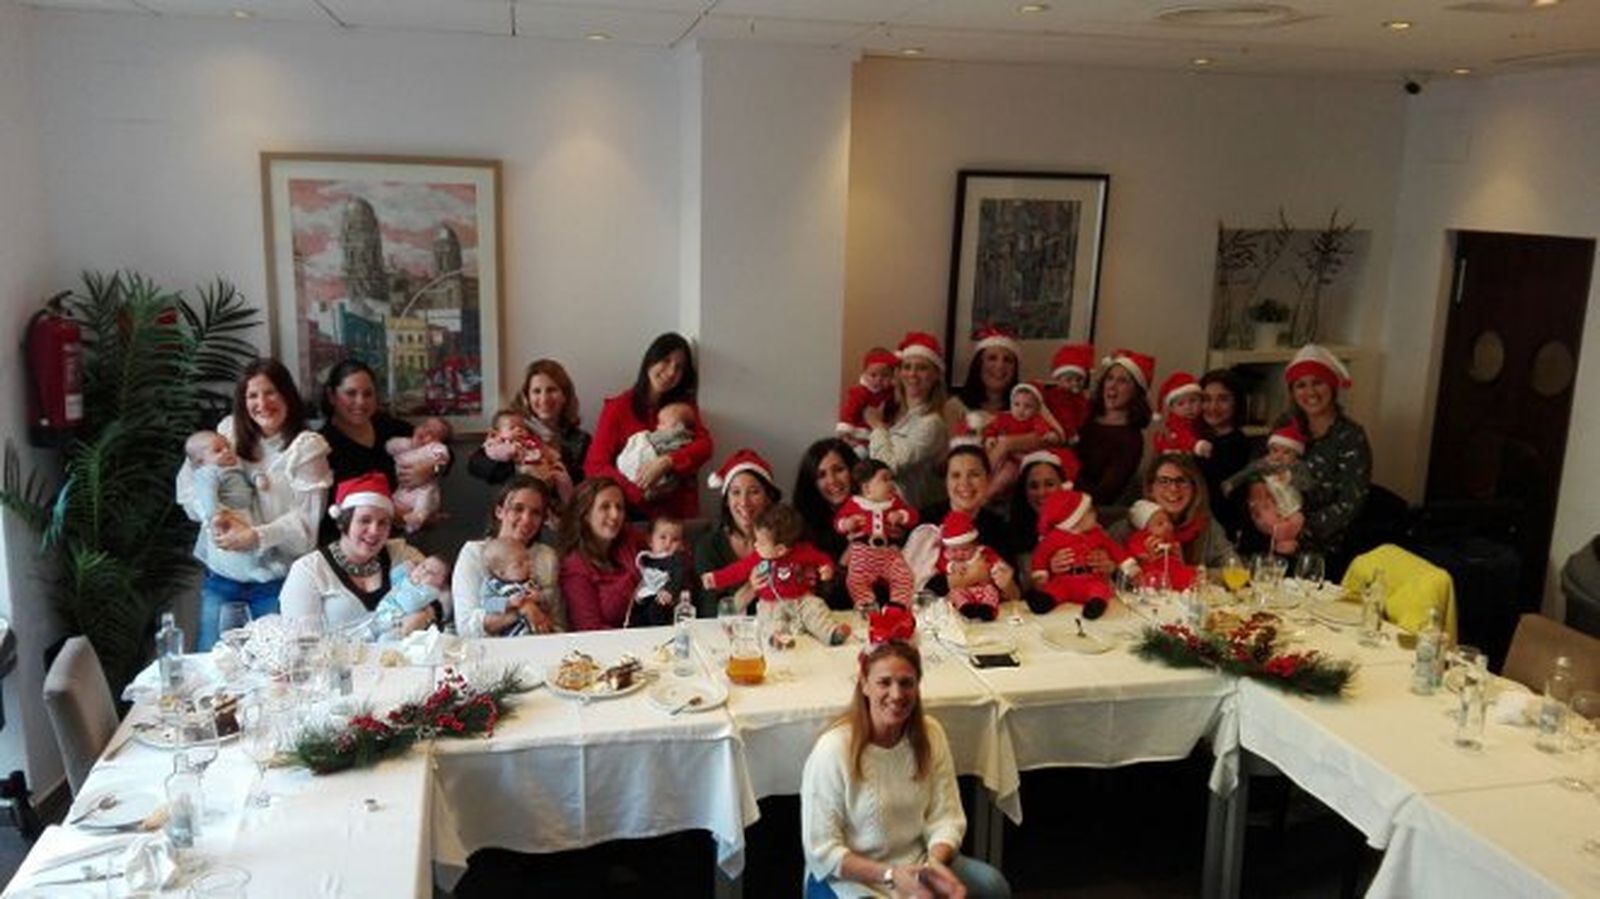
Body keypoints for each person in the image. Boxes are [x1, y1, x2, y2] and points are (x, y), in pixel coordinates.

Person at [801, 639, 1012, 899]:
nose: (897, 694)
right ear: (864, 685)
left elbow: (946, 818)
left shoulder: (930, 734)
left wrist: (932, 867)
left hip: (917, 864)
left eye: (906, 683)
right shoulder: (833, 749)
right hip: (851, 877)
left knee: (992, 885)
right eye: (884, 682)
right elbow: (821, 850)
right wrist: (891, 875)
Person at [175, 359, 332, 650]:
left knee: (276, 673)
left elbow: (306, 529)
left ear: (287, 394)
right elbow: (188, 486)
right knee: (212, 669)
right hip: (222, 578)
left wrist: (256, 536)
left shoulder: (307, 448)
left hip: (276, 584)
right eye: (252, 395)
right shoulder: (227, 434)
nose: (262, 403)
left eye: (270, 392)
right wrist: (215, 518)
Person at [279, 473, 440, 636]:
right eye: (365, 520)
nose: (374, 531)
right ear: (344, 522)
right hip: (334, 660)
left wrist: (426, 616)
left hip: (402, 660)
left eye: (383, 522)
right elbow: (303, 644)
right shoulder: (308, 571)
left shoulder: (402, 554)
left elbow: (442, 599)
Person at [585, 333, 713, 519]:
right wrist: (636, 491)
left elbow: (705, 446)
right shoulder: (618, 408)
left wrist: (667, 461)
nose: (671, 372)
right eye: (666, 360)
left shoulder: (684, 409)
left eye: (679, 367)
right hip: (631, 513)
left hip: (676, 516)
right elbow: (595, 465)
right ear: (650, 359)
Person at [318, 359, 436, 542]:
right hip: (350, 544)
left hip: (405, 539)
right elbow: (328, 511)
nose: (360, 402)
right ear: (332, 396)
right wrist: (389, 512)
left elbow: (442, 449)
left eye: (368, 394)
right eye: (351, 393)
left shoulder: (386, 426)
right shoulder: (320, 445)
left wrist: (431, 469)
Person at [701, 504, 848, 647]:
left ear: (780, 550)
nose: (756, 545)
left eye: (761, 542)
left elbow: (821, 558)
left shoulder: (803, 552)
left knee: (816, 608)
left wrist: (826, 567)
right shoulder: (758, 557)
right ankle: (777, 639)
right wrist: (715, 578)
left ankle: (832, 633)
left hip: (801, 599)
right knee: (771, 621)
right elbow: (737, 570)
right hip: (771, 603)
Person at [1275, 344, 1372, 558]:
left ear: (1332, 386)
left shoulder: (1350, 436)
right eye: (1301, 385)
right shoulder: (1284, 426)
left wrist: (1299, 530)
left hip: (1326, 549)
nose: (1310, 392)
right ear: (1293, 392)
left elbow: (1350, 503)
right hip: (1277, 538)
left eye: (1317, 383)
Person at [452, 475, 563, 636]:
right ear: (499, 511)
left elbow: (559, 621)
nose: (526, 519)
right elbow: (466, 626)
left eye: (536, 513)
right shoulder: (474, 553)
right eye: (518, 509)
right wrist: (523, 609)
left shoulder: (546, 556)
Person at [468, 358, 590, 488]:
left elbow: (583, 481)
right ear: (526, 397)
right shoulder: (513, 428)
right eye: (536, 391)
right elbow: (476, 465)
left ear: (565, 396)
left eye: (552, 390)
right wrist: (521, 471)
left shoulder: (581, 439)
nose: (544, 399)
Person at [1106, 453, 1235, 570]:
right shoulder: (1123, 530)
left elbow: (1236, 570)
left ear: (1194, 488)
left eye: (1181, 480)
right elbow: (1105, 579)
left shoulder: (1208, 527)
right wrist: (1143, 566)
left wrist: (1186, 569)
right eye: (1164, 481)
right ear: (1151, 489)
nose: (1173, 488)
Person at [866, 332, 950, 510]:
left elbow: (885, 467)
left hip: (910, 515)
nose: (912, 374)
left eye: (922, 368)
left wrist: (877, 426)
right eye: (907, 366)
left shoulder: (931, 424)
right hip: (876, 508)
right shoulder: (891, 410)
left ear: (935, 375)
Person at [694, 449, 783, 617]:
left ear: (768, 497)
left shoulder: (785, 540)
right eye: (735, 492)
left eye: (754, 492)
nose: (744, 502)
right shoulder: (707, 547)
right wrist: (750, 588)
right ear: (726, 501)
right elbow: (708, 614)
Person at [1028, 489, 1134, 619]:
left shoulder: (1098, 534)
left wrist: (1128, 565)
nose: (1095, 513)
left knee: (1099, 589)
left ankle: (1095, 605)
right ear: (1075, 518)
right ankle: (1045, 602)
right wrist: (1041, 572)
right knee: (1055, 589)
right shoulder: (1055, 537)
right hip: (1065, 580)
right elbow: (1041, 554)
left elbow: (1114, 549)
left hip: (1090, 578)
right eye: (1089, 511)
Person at [558, 477, 642, 630]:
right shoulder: (575, 567)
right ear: (585, 514)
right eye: (605, 507)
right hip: (609, 646)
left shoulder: (630, 541)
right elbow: (590, 628)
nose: (615, 515)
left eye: (619, 507)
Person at [1075, 348, 1155, 508]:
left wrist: (1066, 477)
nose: (1112, 386)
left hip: (1084, 508)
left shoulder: (1131, 440)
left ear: (1136, 391)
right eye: (1109, 378)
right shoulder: (1084, 415)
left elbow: (1104, 495)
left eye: (1122, 381)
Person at [834, 459, 918, 610]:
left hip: (889, 553)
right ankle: (867, 605)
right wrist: (847, 524)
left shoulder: (895, 502)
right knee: (855, 580)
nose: (891, 483)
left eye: (892, 479)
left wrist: (901, 515)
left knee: (903, 576)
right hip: (863, 553)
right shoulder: (854, 503)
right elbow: (838, 523)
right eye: (885, 479)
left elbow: (913, 516)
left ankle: (898, 606)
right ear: (867, 488)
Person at [1223, 421, 1312, 555]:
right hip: (1270, 502)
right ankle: (1277, 539)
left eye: (1286, 452)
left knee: (1297, 520)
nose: (1279, 456)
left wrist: (1292, 479)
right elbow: (1246, 473)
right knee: (1268, 518)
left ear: (1296, 455)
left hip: (1291, 503)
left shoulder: (1299, 467)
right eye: (1275, 450)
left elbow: (1308, 485)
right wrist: (1231, 483)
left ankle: (1287, 541)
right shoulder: (1264, 464)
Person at [794, 438, 862, 610]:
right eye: (821, 475)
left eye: (839, 470)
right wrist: (845, 562)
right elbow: (820, 599)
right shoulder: (803, 527)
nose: (832, 480)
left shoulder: (876, 509)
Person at [981, 381, 1063, 504]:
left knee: (1006, 475)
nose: (1021, 410)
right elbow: (991, 428)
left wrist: (1050, 435)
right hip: (1002, 457)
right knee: (990, 466)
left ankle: (987, 495)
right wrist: (990, 438)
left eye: (1027, 406)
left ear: (1037, 409)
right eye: (1017, 404)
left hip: (1019, 460)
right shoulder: (1004, 418)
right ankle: (985, 486)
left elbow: (1044, 432)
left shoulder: (1035, 420)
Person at [1197, 369, 1254, 538]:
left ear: (1237, 403)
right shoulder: (1196, 440)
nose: (1213, 407)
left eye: (1223, 399)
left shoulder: (1239, 446)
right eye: (1206, 399)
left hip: (1220, 532)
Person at [1005, 447, 1080, 568]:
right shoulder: (1011, 532)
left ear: (1064, 486)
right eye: (1033, 486)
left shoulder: (1084, 520)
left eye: (1049, 484)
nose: (1041, 493)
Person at [943, 325, 1021, 439]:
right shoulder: (954, 407)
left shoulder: (1028, 407)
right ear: (978, 365)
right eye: (992, 358)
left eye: (1008, 360)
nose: (1000, 366)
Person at [386, 416, 452, 534]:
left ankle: (417, 519)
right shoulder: (407, 443)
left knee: (425, 496)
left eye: (431, 433)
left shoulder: (434, 448)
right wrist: (411, 443)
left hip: (424, 487)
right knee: (394, 500)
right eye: (424, 426)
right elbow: (389, 447)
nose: (425, 432)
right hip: (402, 488)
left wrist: (432, 467)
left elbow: (443, 459)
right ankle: (399, 520)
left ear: (438, 440)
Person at [615, 402, 697, 495]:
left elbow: (705, 447)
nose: (657, 427)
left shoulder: (676, 435)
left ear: (678, 426)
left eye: (662, 423)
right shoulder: (618, 406)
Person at [630, 517, 690, 628]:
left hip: (666, 600)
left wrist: (669, 590)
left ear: (681, 545)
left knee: (656, 610)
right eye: (663, 537)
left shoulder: (676, 560)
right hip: (645, 599)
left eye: (675, 540)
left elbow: (678, 576)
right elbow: (641, 578)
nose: (668, 543)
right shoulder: (646, 559)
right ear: (650, 541)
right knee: (637, 615)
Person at [837, 347, 900, 453]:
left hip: (877, 431)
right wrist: (845, 431)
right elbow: (849, 411)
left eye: (885, 376)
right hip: (859, 431)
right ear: (865, 374)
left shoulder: (890, 393)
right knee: (861, 452)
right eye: (873, 375)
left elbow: (891, 410)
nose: (878, 379)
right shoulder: (861, 392)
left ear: (892, 376)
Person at [1041, 343, 1095, 444]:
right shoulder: (1056, 396)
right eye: (1069, 380)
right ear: (1058, 381)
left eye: (1078, 380)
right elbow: (1064, 416)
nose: (1075, 383)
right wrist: (1071, 433)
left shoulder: (1081, 398)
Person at [1151, 371, 1212, 458]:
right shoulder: (1174, 423)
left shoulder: (1201, 419)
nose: (1188, 407)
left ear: (1201, 401)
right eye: (1180, 404)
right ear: (1172, 409)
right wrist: (1197, 445)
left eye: (1193, 400)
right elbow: (1182, 436)